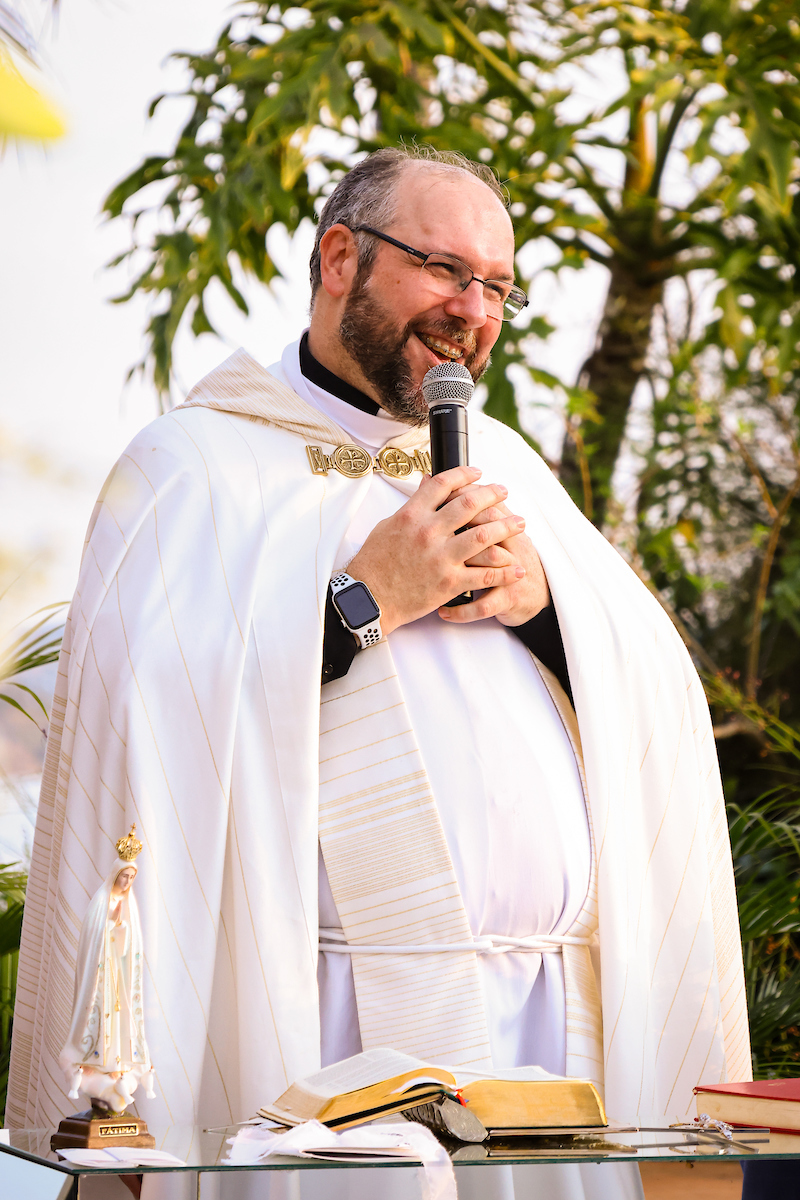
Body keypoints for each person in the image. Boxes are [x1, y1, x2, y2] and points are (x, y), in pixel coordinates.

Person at [9, 147, 750, 1199]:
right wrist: (360, 604)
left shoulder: (509, 467)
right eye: (444, 269)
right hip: (314, 1021)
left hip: (553, 1029)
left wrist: (547, 611)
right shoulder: (194, 465)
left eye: (495, 285)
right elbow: (147, 726)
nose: (471, 310)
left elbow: (657, 695)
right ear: (340, 257)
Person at [58, 826, 155, 1115]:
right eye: (123, 876)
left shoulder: (129, 904)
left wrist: (122, 927)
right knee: (99, 1018)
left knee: (121, 1020)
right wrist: (111, 924)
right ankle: (94, 1063)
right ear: (115, 874)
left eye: (130, 877)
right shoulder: (101, 902)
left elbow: (132, 944)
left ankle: (118, 1066)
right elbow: (92, 939)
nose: (126, 882)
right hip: (101, 975)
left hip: (119, 974)